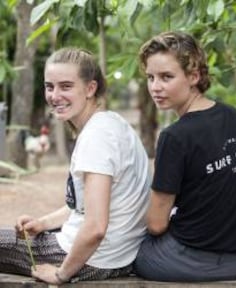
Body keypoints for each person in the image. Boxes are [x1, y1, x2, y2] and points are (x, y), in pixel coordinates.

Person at [0, 48, 151, 285]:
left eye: (66, 86)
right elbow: (85, 207)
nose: (55, 95)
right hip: (114, 255)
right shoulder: (111, 123)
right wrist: (43, 223)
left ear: (90, 88)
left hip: (94, 259)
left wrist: (61, 274)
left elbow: (95, 227)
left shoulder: (97, 138)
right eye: (50, 86)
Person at [132, 31, 236, 282]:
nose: (156, 87)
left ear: (194, 76)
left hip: (189, 260)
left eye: (167, 77)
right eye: (150, 77)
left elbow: (156, 224)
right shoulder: (235, 117)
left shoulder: (174, 136)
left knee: (125, 249)